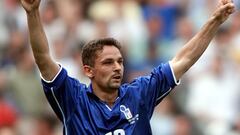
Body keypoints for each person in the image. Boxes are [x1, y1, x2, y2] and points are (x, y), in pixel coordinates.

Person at [19, 0, 235, 134]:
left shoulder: (138, 94)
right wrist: (32, 12)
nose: (117, 68)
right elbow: (43, 58)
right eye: (108, 62)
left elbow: (183, 60)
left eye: (120, 61)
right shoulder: (73, 98)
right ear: (88, 70)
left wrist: (215, 21)